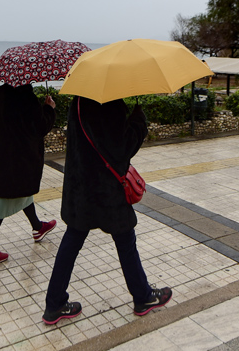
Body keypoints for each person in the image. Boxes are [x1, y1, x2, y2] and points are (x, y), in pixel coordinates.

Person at [41, 96, 172, 325]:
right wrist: (139, 122)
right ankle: (143, 297)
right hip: (107, 190)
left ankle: (54, 304)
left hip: (81, 189)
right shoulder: (110, 103)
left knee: (72, 242)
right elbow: (122, 148)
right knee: (125, 241)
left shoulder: (79, 99)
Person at [0, 83, 58, 264]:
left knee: (23, 193)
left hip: (1, 158)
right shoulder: (25, 96)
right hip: (19, 161)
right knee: (1, 204)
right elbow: (40, 127)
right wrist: (49, 109)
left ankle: (38, 227)